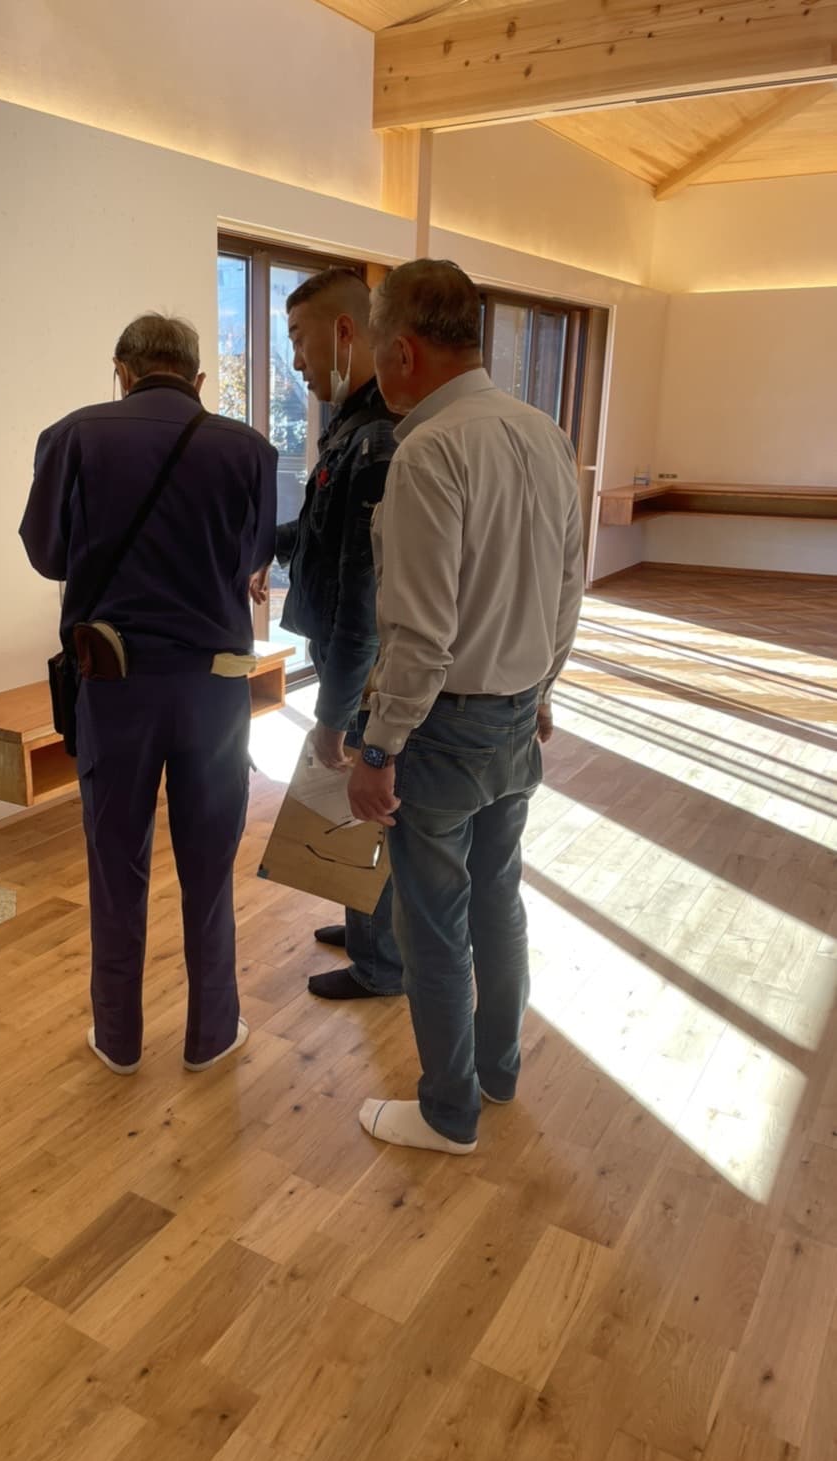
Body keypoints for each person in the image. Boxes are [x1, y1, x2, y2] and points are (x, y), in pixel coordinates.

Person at [348, 260, 584, 1154]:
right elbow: (569, 587)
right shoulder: (543, 433)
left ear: (404, 351)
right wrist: (542, 686)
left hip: (442, 730)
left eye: (377, 346)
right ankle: (497, 1072)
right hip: (517, 715)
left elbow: (420, 634)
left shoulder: (429, 451)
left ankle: (449, 1113)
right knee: (498, 901)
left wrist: (379, 750)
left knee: (433, 925)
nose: (376, 365)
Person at [21, 314, 277, 1074]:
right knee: (209, 866)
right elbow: (252, 554)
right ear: (197, 379)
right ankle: (212, 1034)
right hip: (214, 692)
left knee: (116, 866)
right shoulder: (250, 450)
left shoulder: (71, 436)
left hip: (116, 689)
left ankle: (118, 1039)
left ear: (121, 371)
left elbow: (47, 555)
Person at [271, 266, 403, 1002]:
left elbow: (363, 597)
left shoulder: (377, 436)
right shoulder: (350, 427)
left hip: (367, 666)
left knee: (365, 803)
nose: (295, 359)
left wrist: (332, 715)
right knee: (356, 808)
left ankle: (382, 963)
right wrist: (264, 545)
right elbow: (321, 536)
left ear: (345, 331)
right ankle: (365, 931)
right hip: (348, 657)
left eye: (298, 338)